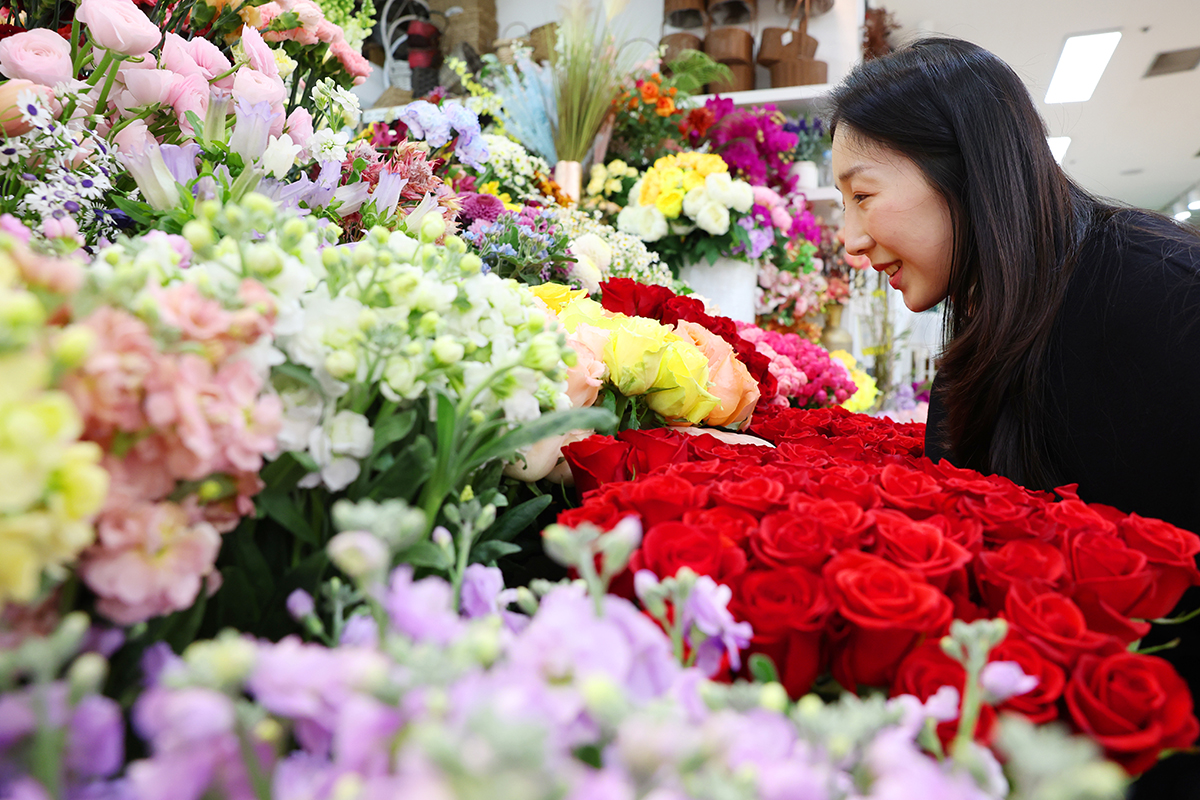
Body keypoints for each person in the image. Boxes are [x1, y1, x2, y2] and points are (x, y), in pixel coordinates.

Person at [828, 36, 1200, 795]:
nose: (850, 240)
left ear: (962, 170)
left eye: (862, 196)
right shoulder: (994, 322)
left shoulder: (1160, 302)